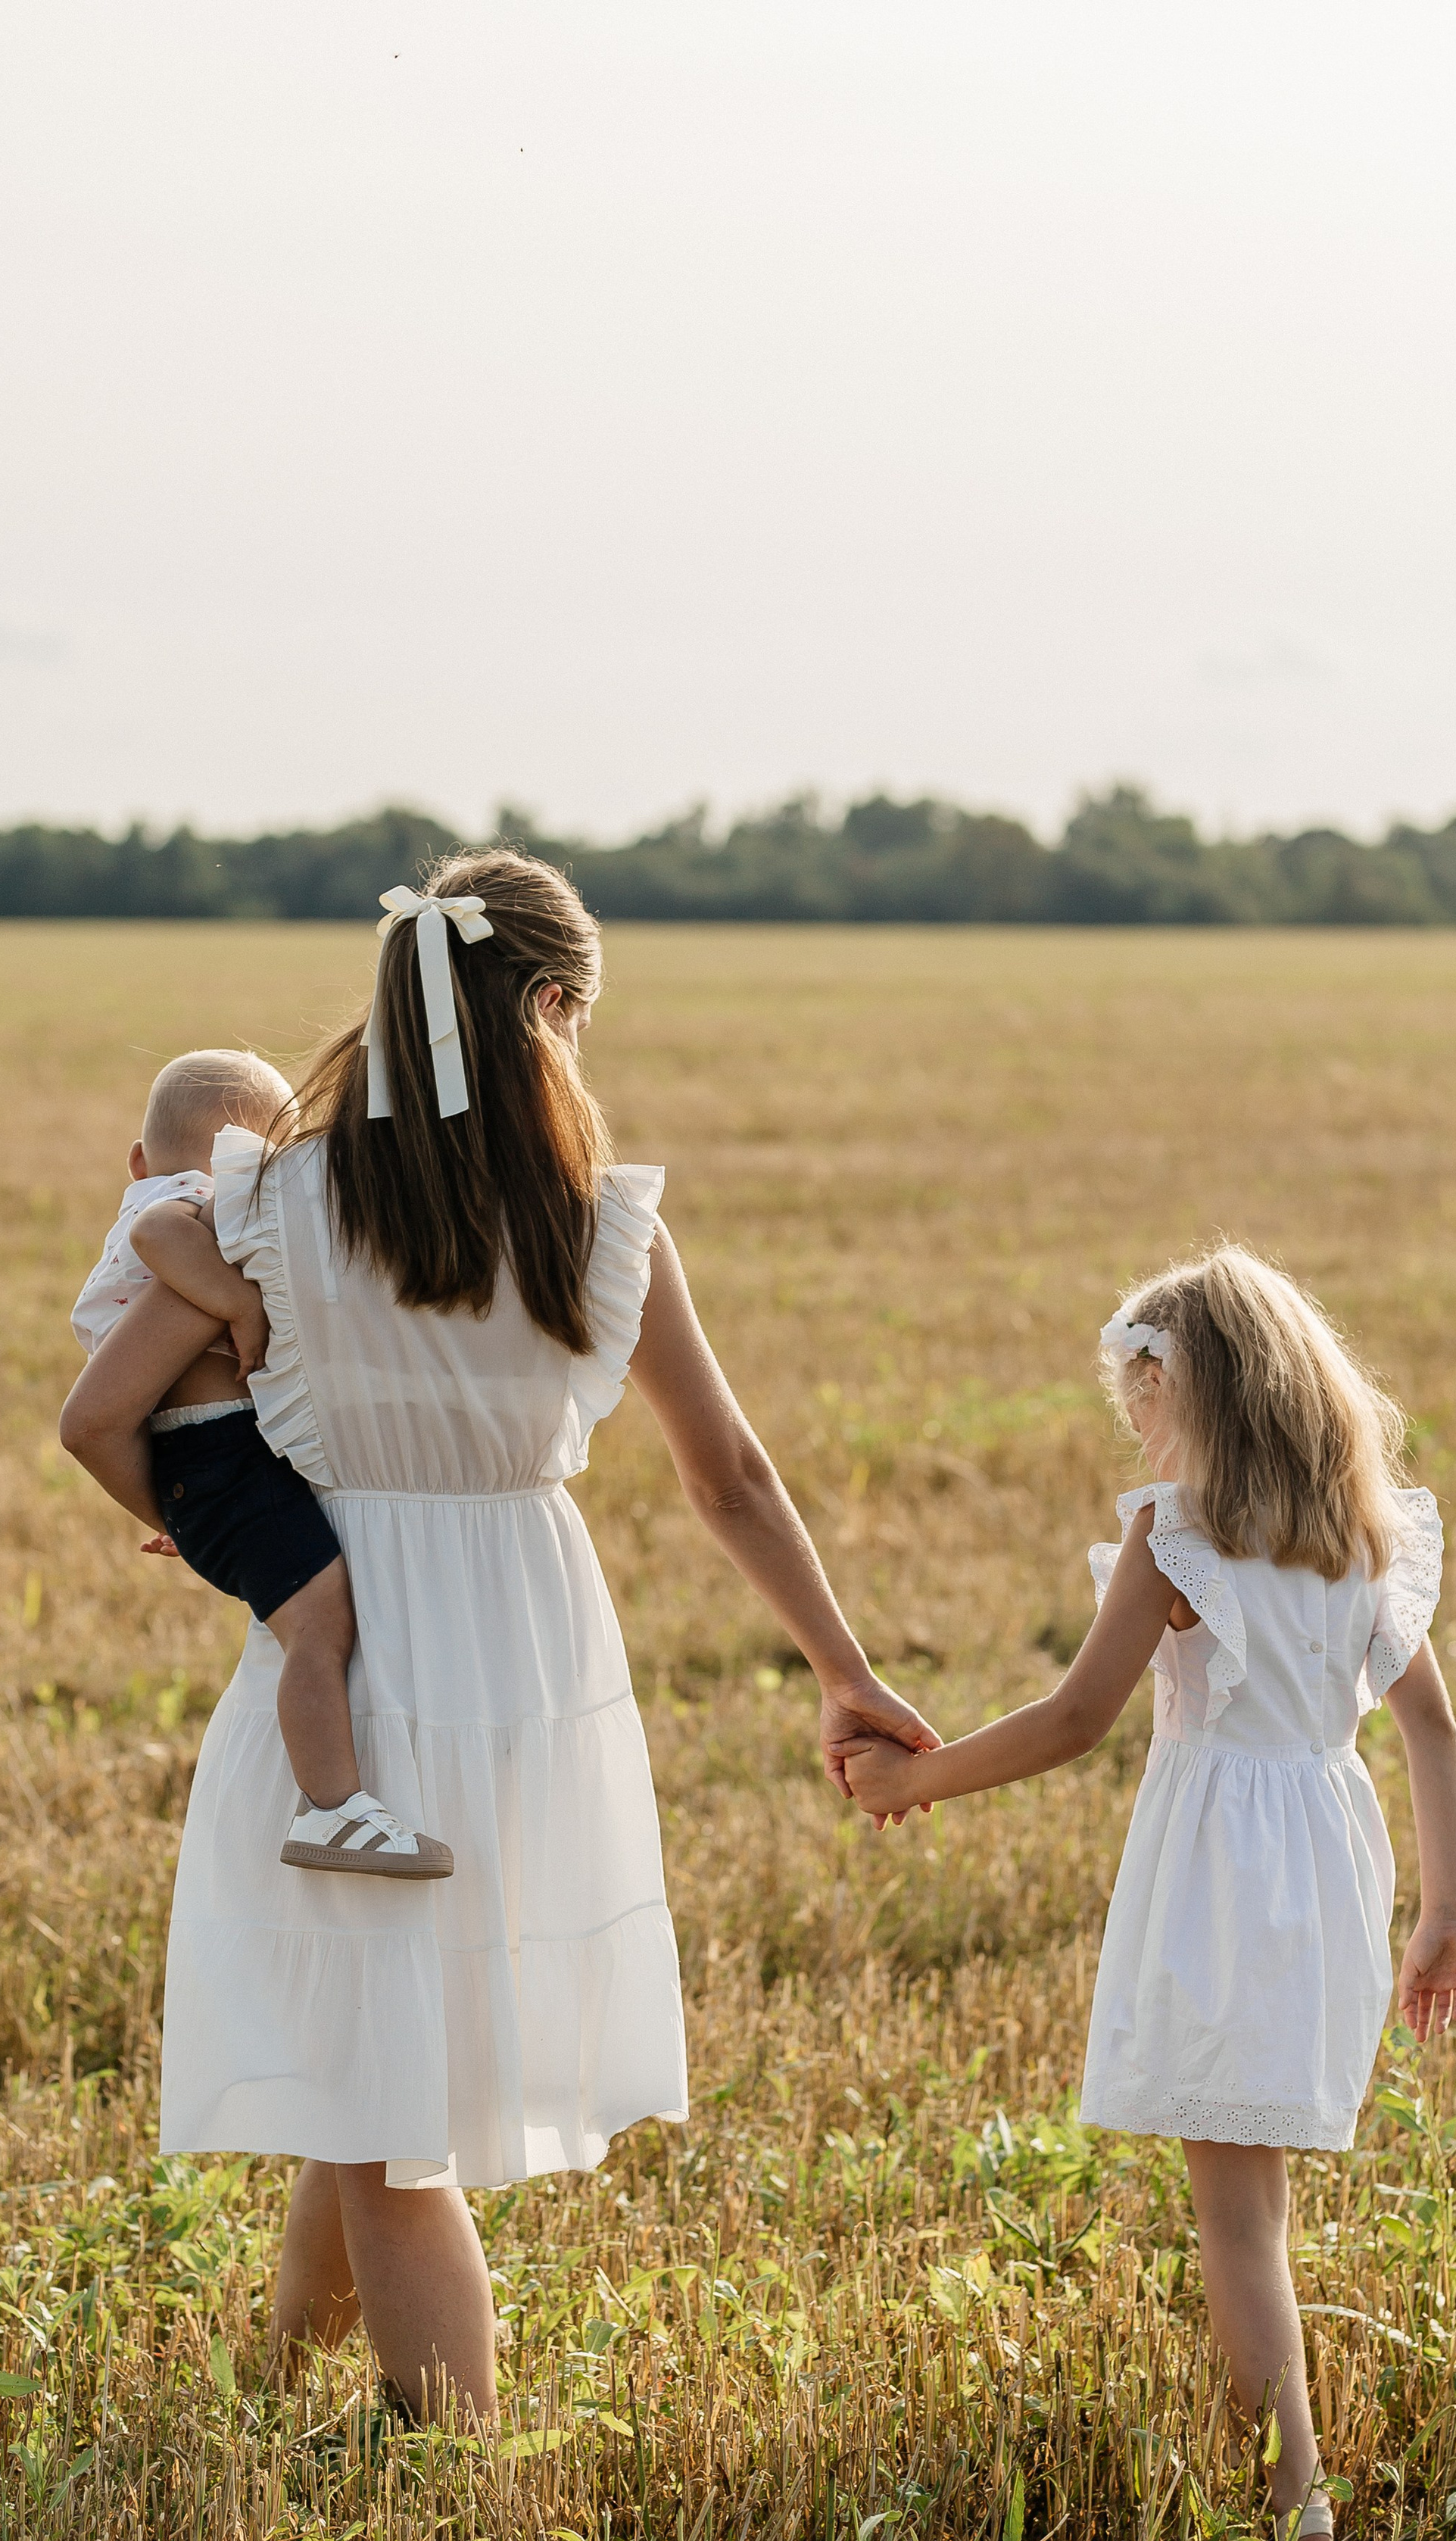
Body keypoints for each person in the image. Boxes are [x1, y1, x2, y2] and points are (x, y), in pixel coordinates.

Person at [59, 851, 935, 2424]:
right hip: (526, 1652)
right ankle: (277, 2399)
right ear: (543, 1009)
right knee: (378, 2067)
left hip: (355, 1622)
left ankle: (451, 2477)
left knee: (389, 2094)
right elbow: (726, 1477)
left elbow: (106, 1412)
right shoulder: (604, 1234)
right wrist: (841, 1664)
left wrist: (224, 1541)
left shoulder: (265, 1203)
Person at [841, 1247, 1456, 2541]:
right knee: (1259, 2198)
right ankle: (1285, 2479)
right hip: (1331, 1864)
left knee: (1236, 2216)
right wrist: (1441, 1914)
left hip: (1226, 1881)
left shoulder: (1179, 1534)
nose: (1128, 1410)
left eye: (1143, 1387)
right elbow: (1434, 1731)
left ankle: (1297, 2510)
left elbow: (1077, 1716)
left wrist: (919, 1778)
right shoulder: (1363, 1534)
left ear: (1207, 1394)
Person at [70, 1052, 439, 1878]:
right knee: (321, 1623)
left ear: (136, 1157)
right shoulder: (200, 1205)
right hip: (219, 1450)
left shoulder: (153, 1185)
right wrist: (237, 1302)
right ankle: (332, 1807)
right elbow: (155, 1233)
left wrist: (182, 1513)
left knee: (312, 1616)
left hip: (202, 1463)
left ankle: (332, 1800)